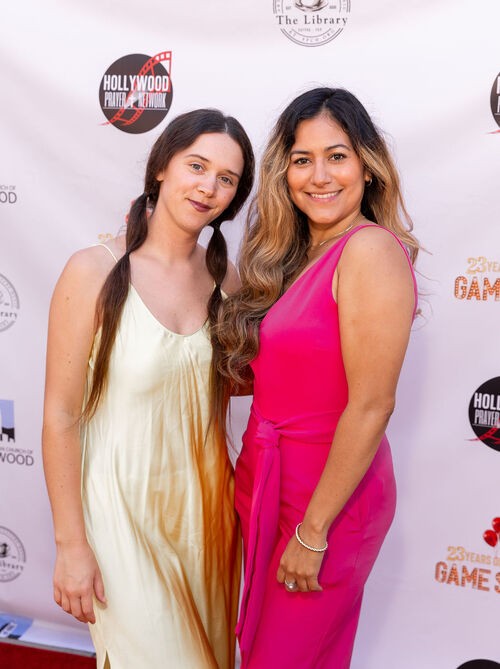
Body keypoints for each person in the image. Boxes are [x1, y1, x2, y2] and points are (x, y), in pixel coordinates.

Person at [42, 108, 254, 669]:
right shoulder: (93, 271)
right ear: (162, 166)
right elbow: (60, 416)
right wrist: (71, 545)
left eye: (226, 178)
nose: (207, 187)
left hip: (206, 518)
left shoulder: (227, 280)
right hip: (119, 516)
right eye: (196, 166)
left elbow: (225, 384)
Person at [215, 87, 419, 669]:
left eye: (337, 156)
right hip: (272, 487)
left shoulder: (368, 250)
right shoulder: (296, 257)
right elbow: (284, 375)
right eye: (303, 160)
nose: (320, 176)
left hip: (327, 503)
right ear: (284, 173)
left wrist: (313, 531)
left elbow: (372, 405)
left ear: (367, 167)